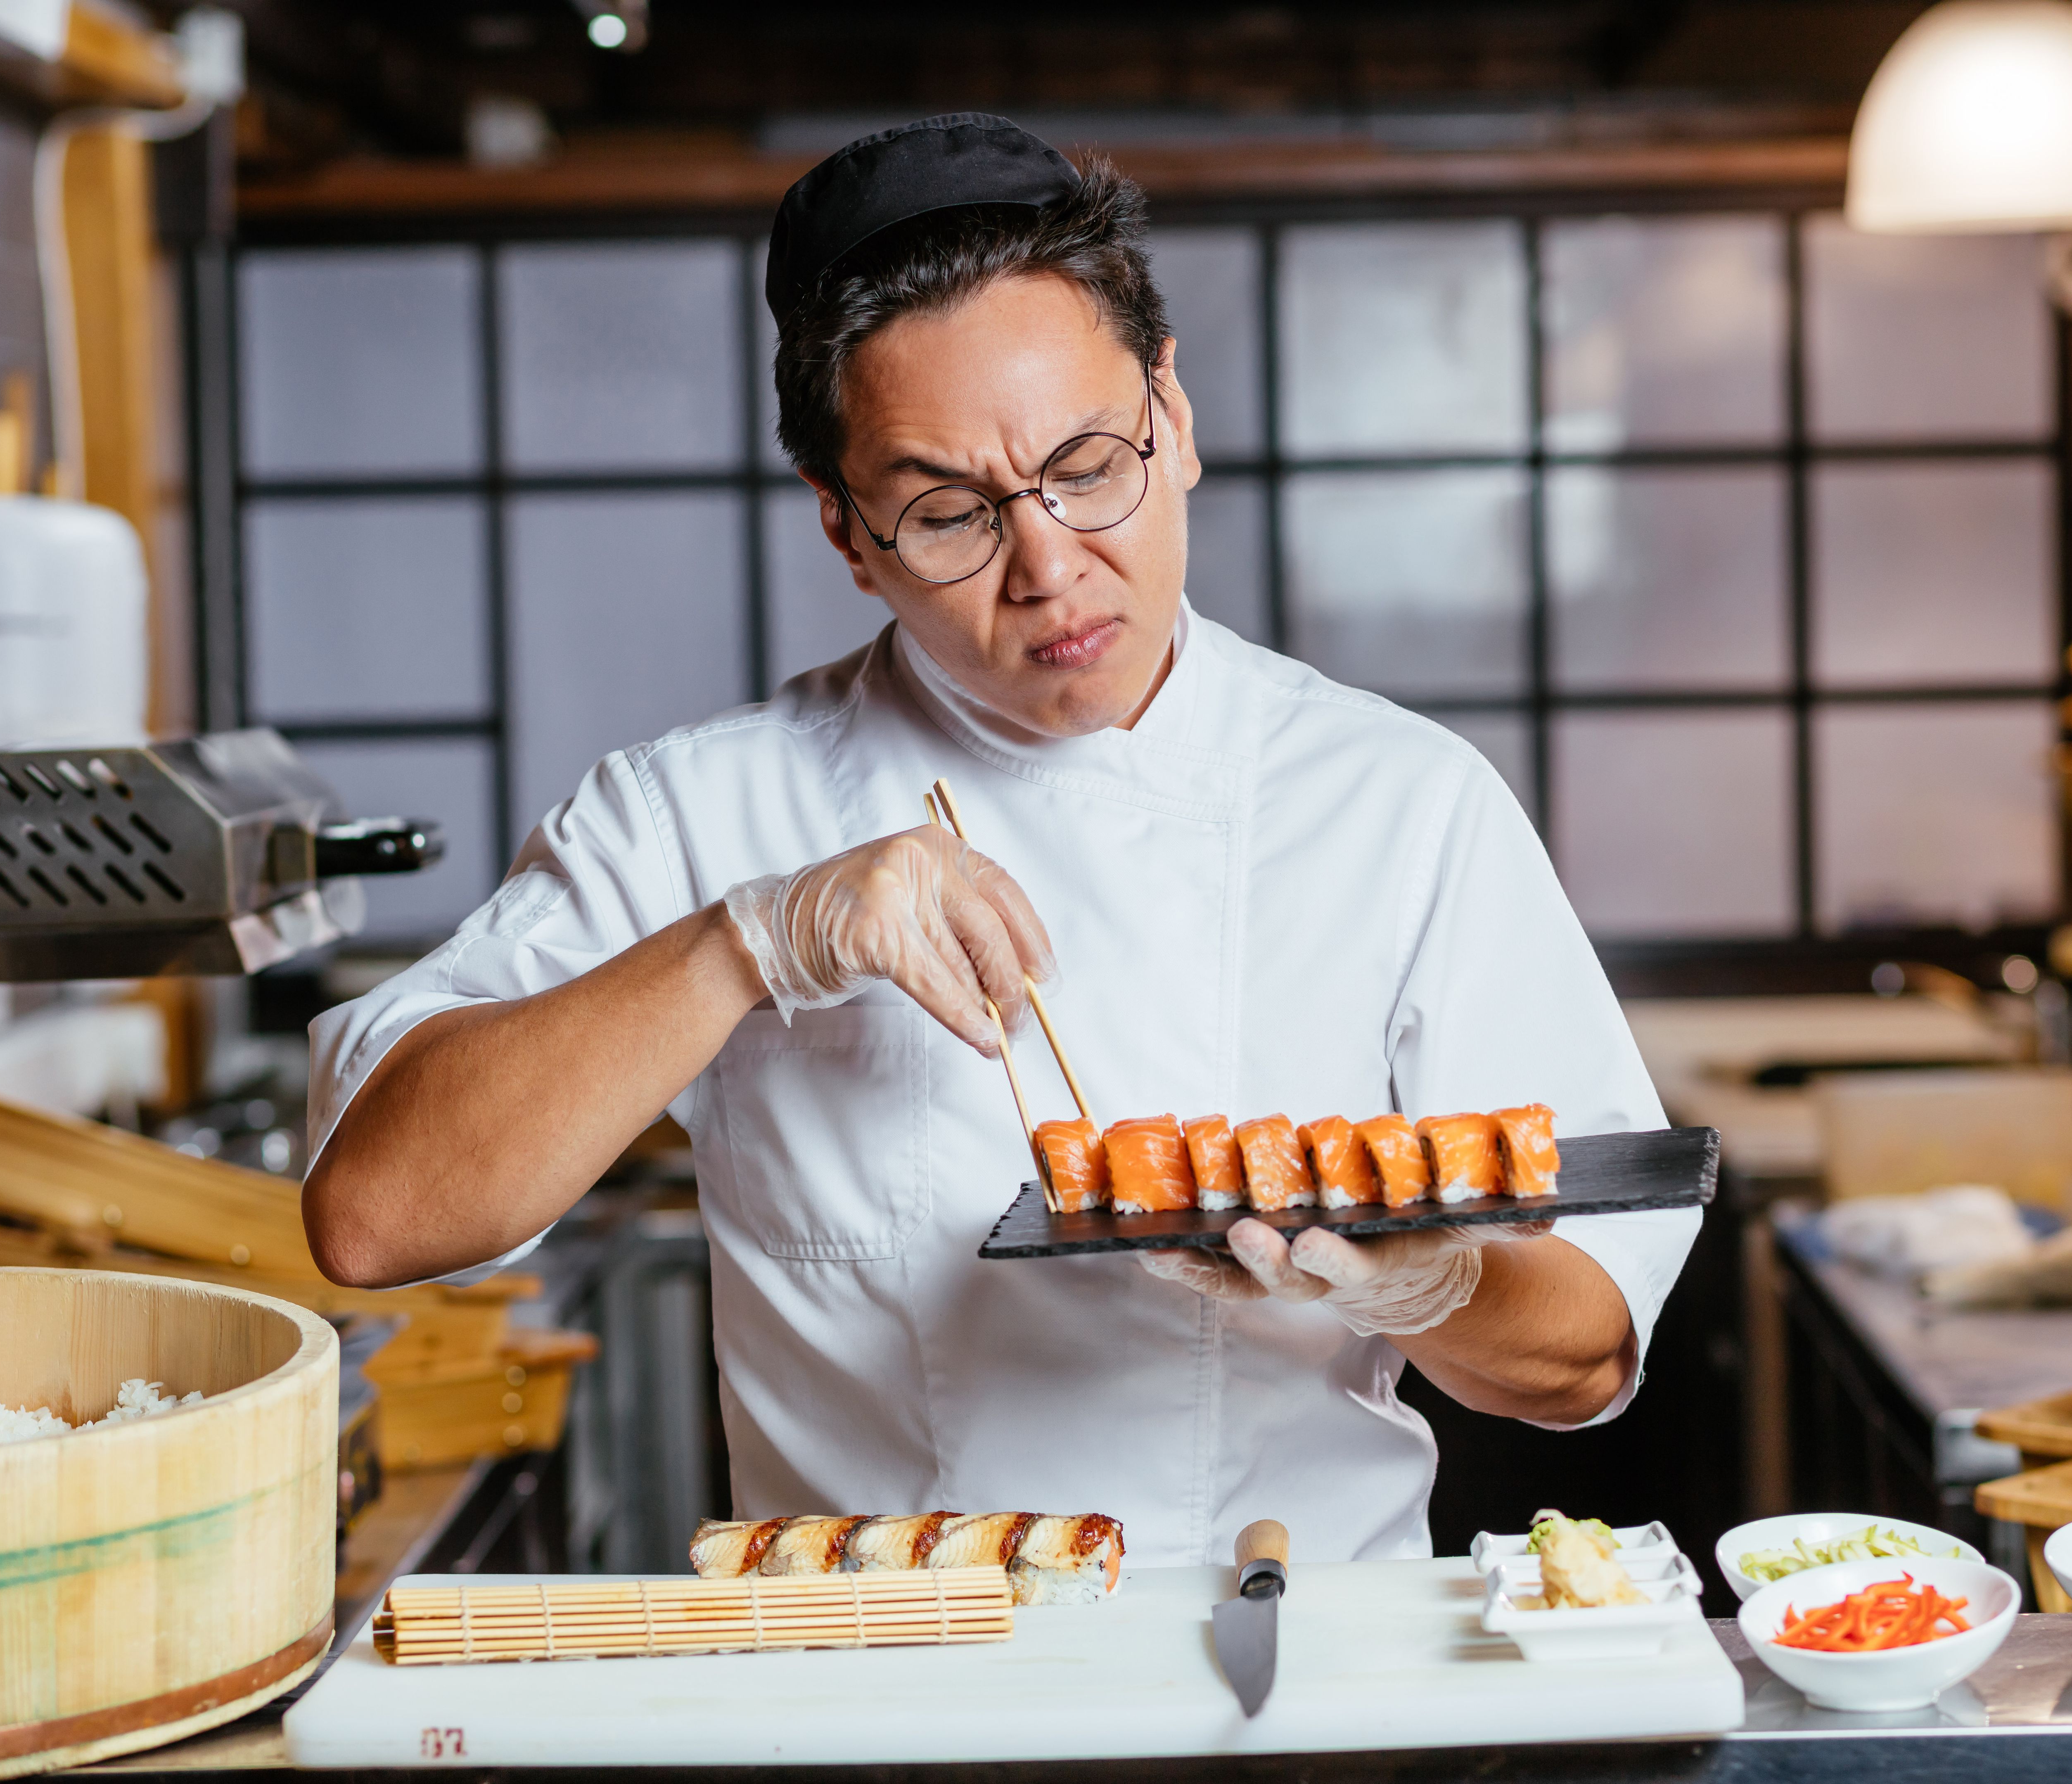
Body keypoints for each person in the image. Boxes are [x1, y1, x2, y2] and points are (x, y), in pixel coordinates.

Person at [302, 114, 1695, 1566]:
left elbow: (1585, 1358)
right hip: (883, 1699)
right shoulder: (701, 813)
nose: (1049, 567)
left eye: (1091, 465)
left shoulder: (1401, 802)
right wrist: (749, 943)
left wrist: (1424, 1285)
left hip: (1302, 1679)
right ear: (848, 533)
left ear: (1176, 414)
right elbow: (376, 1218)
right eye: (949, 513)